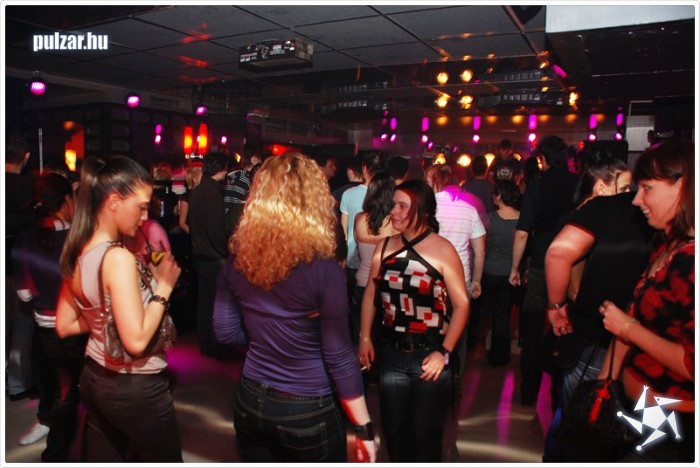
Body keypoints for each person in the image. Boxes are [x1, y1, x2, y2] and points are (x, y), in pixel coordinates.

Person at [212, 152, 376, 463]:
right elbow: (339, 356)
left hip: (250, 399)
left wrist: (267, 343)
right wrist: (364, 428)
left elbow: (225, 332)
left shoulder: (237, 261)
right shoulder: (324, 270)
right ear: (315, 200)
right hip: (307, 405)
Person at [55, 155, 183, 462]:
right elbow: (136, 342)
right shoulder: (118, 258)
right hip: (135, 387)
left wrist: (114, 315)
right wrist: (164, 287)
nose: (145, 215)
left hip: (94, 378)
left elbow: (64, 324)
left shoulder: (79, 249)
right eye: (141, 206)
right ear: (114, 201)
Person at [542, 155, 652, 462]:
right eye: (626, 188)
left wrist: (558, 307)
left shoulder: (592, 217)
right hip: (593, 334)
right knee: (583, 419)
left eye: (636, 189)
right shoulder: (585, 217)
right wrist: (561, 307)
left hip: (595, 335)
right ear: (601, 187)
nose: (634, 198)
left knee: (581, 417)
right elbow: (569, 273)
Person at [357, 179, 469, 462]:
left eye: (402, 206)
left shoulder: (442, 250)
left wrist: (444, 351)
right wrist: (365, 336)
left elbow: (462, 305)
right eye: (393, 204)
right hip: (392, 353)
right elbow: (371, 293)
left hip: (429, 354)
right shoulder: (384, 247)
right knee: (394, 432)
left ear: (423, 211)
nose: (393, 211)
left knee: (425, 435)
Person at [598, 141, 694, 463]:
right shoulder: (668, 245)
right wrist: (602, 388)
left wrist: (629, 328)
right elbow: (634, 320)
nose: (637, 199)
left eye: (647, 188)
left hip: (669, 424)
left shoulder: (692, 261)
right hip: (639, 409)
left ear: (682, 186)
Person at [11, 173, 87, 459]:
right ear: (67, 200)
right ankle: (56, 451)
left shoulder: (24, 239)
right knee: (68, 390)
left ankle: (52, 428)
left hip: (43, 327)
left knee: (53, 382)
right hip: (76, 327)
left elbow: (24, 295)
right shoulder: (78, 240)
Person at [509, 135, 578, 406]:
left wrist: (515, 267)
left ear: (543, 159)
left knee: (534, 328)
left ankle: (529, 392)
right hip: (572, 262)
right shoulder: (579, 184)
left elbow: (522, 232)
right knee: (565, 326)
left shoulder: (536, 187)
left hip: (542, 263)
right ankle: (559, 394)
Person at [187, 152, 229, 357]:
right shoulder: (213, 194)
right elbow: (216, 230)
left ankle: (206, 343)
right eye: (226, 168)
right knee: (216, 305)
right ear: (220, 169)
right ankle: (214, 345)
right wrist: (225, 252)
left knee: (204, 303)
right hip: (213, 257)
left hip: (200, 255)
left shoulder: (197, 192)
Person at [351, 172, 398, 345]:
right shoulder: (395, 223)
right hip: (386, 287)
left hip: (362, 284)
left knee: (360, 340)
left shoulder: (359, 219)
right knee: (383, 344)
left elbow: (358, 246)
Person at [479, 180, 521, 366]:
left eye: (494, 194)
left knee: (482, 311)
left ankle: (475, 349)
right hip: (510, 273)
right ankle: (500, 356)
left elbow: (481, 245)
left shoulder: (489, 218)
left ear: (500, 196)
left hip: (489, 271)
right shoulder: (522, 219)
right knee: (502, 314)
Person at [177, 163, 202, 235]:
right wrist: (195, 236)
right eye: (202, 177)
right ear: (195, 180)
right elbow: (182, 223)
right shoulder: (187, 198)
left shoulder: (203, 195)